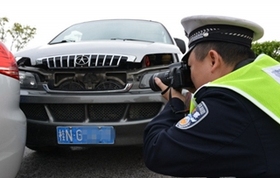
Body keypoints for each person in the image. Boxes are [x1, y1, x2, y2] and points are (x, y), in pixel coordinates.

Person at [143, 15, 280, 178]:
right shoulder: (268, 77)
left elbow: (157, 151)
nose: (190, 74)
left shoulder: (230, 106)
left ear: (213, 60)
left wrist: (174, 103)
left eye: (191, 66)